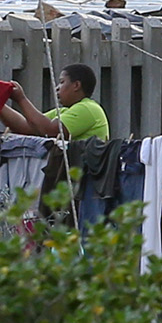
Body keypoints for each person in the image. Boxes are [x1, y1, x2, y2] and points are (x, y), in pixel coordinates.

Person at [50, 65, 119, 227]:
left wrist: (21, 99)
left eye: (62, 82)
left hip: (88, 185)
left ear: (76, 85)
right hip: (75, 185)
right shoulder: (67, 111)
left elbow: (49, 129)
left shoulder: (87, 109)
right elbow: (29, 126)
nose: (57, 88)